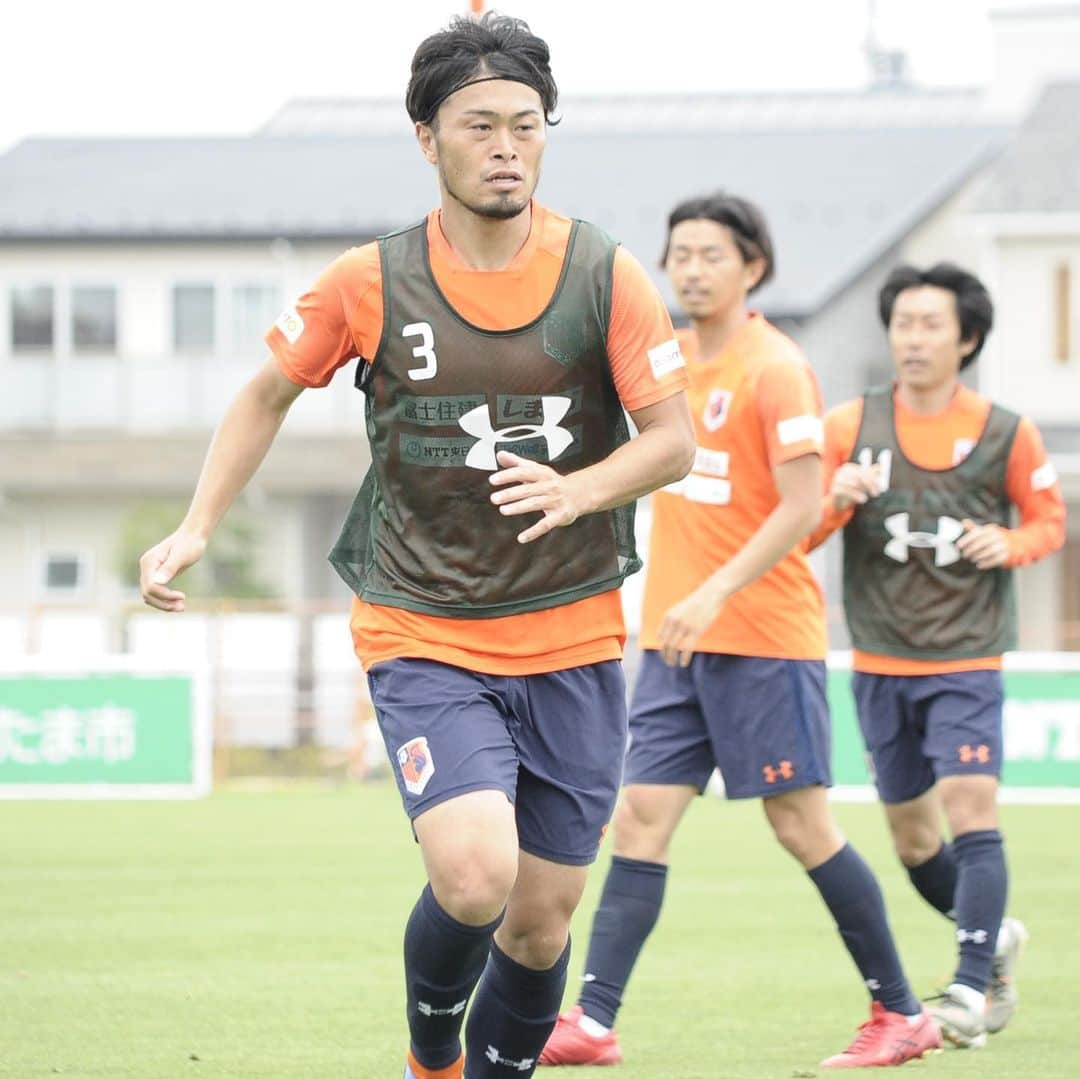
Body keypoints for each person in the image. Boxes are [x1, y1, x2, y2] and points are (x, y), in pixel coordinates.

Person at [138, 14, 695, 1079]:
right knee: (475, 875)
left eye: (526, 126)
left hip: (573, 633)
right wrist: (196, 523)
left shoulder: (608, 276)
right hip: (422, 624)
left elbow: (673, 442)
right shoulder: (368, 281)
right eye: (478, 125)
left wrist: (580, 488)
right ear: (424, 138)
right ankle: (432, 1050)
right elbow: (262, 398)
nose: (505, 147)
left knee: (538, 923)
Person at [539, 193, 940, 1071]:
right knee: (641, 817)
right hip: (678, 641)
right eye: (678, 253)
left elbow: (803, 504)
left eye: (711, 254)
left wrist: (715, 591)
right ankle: (595, 1020)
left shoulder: (776, 368)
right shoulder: (666, 365)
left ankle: (902, 1011)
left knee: (801, 826)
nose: (690, 268)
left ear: (753, 266)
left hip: (762, 635)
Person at [806, 262, 1065, 1048]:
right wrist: (835, 498)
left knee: (971, 804)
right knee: (915, 841)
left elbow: (1049, 519)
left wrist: (1010, 541)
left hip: (967, 657)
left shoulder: (1005, 431)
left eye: (931, 325)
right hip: (880, 662)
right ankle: (994, 936)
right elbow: (800, 532)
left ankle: (966, 988)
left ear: (968, 338)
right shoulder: (849, 425)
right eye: (904, 323)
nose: (913, 339)